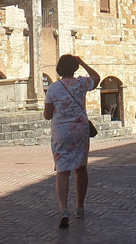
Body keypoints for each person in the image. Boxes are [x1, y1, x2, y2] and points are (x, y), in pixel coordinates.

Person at [44, 54, 100, 228]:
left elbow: (47, 115)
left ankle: (63, 209)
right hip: (80, 131)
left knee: (62, 171)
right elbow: (96, 77)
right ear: (75, 68)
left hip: (61, 132)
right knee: (81, 168)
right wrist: (81, 61)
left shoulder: (53, 88)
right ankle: (80, 207)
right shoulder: (81, 83)